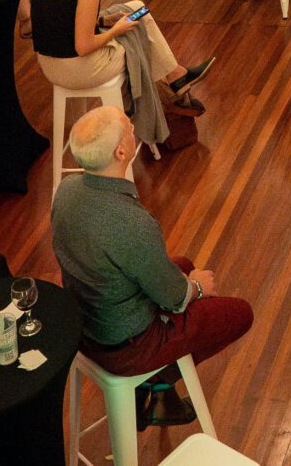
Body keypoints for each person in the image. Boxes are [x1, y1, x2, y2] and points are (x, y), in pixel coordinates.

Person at [52, 107, 253, 428]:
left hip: (86, 323)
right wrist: (198, 287)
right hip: (124, 347)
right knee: (239, 314)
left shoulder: (67, 191)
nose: (133, 126)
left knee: (183, 264)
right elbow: (175, 299)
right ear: (120, 152)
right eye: (128, 127)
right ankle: (153, 382)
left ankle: (157, 394)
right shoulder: (132, 223)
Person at [33, 0, 209, 147]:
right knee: (137, 36)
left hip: (48, 62)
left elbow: (58, 17)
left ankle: (176, 75)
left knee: (137, 8)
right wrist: (117, 30)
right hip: (78, 68)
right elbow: (83, 46)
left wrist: (104, 22)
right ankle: (172, 85)